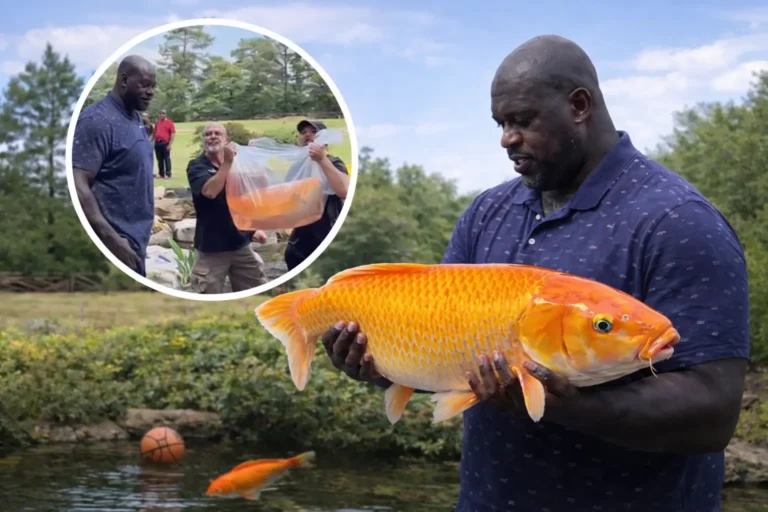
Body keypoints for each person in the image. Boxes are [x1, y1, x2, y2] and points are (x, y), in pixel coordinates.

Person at [318, 35, 750, 512]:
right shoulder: (486, 213)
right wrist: (380, 366)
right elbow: (443, 358)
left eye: (522, 120)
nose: (506, 138)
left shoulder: (678, 221)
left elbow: (713, 412)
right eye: (501, 123)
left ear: (579, 106)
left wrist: (571, 407)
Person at [72, 55, 156, 277]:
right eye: (144, 85)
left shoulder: (136, 118)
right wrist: (111, 238)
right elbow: (77, 184)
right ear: (124, 80)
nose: (150, 92)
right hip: (113, 245)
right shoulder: (97, 121)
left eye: (153, 86)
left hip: (135, 241)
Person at [186, 122, 268, 294]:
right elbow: (210, 192)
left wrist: (254, 229)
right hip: (211, 248)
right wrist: (228, 163)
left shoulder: (239, 165)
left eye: (217, 133)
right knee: (207, 297)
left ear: (226, 140)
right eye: (208, 134)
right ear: (203, 140)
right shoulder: (197, 166)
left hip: (241, 244)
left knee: (256, 293)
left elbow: (255, 193)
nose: (213, 136)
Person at [284, 119, 350, 270]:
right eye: (303, 132)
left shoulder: (334, 163)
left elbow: (344, 191)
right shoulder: (297, 167)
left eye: (314, 132)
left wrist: (322, 160)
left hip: (327, 234)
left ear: (325, 139)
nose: (308, 135)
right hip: (300, 240)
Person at [153, 109, 175, 179]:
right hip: (157, 143)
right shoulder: (157, 123)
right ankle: (161, 173)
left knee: (166, 159)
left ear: (165, 115)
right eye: (160, 113)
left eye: (163, 113)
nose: (162, 115)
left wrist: (170, 144)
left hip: (165, 143)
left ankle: (168, 174)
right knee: (159, 159)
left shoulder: (169, 123)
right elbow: (155, 132)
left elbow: (172, 133)